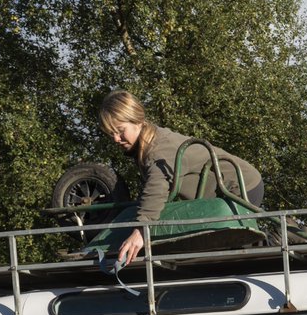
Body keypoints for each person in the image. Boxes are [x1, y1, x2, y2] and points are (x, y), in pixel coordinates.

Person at [98, 90, 264, 266]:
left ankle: (274, 238)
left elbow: (156, 189)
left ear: (137, 121)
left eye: (120, 131)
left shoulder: (158, 150)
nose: (116, 139)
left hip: (240, 188)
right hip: (232, 189)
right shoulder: (148, 143)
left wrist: (140, 231)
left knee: (219, 256)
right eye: (111, 134)